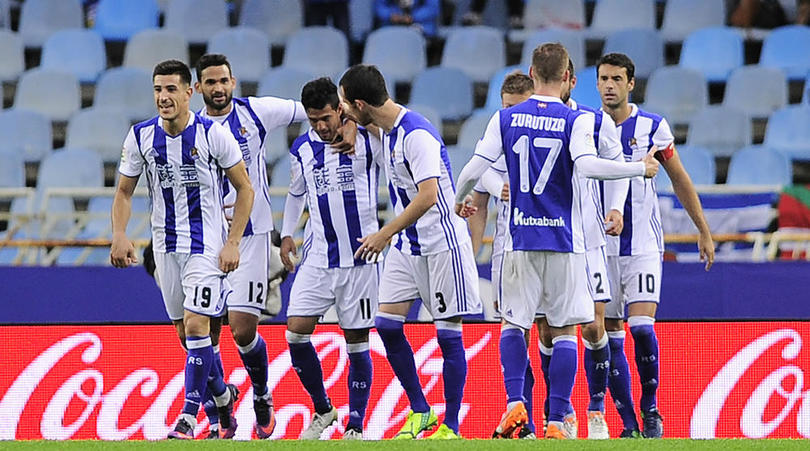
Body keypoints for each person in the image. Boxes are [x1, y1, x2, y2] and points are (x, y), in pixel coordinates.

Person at [453, 43, 659, 440]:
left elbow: (475, 168)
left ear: (532, 73)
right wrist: (638, 169)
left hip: (518, 239)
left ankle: (516, 402)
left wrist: (459, 199)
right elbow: (585, 165)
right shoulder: (576, 119)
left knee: (514, 324)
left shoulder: (506, 117)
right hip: (565, 241)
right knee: (565, 330)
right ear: (568, 77)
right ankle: (556, 420)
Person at [194, 53, 355, 439]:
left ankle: (262, 394)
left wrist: (348, 123)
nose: (218, 88)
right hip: (206, 237)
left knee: (241, 330)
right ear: (198, 88)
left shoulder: (258, 112)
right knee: (200, 330)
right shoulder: (191, 128)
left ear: (234, 83)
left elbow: (322, 108)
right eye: (210, 82)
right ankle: (220, 405)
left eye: (223, 81)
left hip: (250, 237)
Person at [111, 59, 254, 440]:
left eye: (171, 89)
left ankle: (188, 418)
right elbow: (123, 191)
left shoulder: (212, 134)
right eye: (158, 89)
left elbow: (245, 189)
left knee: (196, 324)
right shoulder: (140, 136)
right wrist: (119, 233)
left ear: (189, 92)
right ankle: (223, 400)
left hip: (206, 246)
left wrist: (233, 242)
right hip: (165, 248)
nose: (163, 97)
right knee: (186, 335)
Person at [339, 64, 482, 440]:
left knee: (448, 335)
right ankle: (421, 410)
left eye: (347, 107)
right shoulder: (386, 128)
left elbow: (429, 195)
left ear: (360, 103)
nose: (344, 114)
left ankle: (450, 426)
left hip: (441, 244)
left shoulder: (416, 135)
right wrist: (352, 124)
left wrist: (384, 233)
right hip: (408, 246)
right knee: (386, 325)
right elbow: (365, 123)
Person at [596, 52, 715, 438]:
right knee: (607, 335)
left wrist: (703, 228)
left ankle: (651, 407)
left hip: (643, 245)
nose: (609, 86)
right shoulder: (586, 127)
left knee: (642, 328)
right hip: (600, 248)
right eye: (603, 79)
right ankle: (629, 423)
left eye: (617, 79)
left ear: (631, 84)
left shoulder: (652, 127)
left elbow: (679, 177)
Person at [531, 58, 630, 440]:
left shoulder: (592, 120)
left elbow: (617, 161)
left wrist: (616, 206)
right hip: (546, 239)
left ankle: (596, 409)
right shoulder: (529, 118)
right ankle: (560, 411)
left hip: (587, 241)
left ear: (571, 80)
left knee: (592, 327)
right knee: (546, 330)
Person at [278, 77, 382, 440]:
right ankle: (323, 409)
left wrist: (356, 124)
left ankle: (355, 423)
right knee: (295, 333)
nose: (321, 127)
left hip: (361, 256)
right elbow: (295, 193)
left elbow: (387, 114)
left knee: (356, 341)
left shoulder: (369, 140)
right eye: (313, 120)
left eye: (326, 118)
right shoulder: (302, 149)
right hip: (319, 255)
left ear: (340, 109)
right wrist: (287, 232)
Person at [465, 71, 537, 440]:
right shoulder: (497, 133)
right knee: (516, 332)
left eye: (516, 107)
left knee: (556, 334)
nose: (509, 115)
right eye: (505, 107)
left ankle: (558, 416)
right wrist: (470, 254)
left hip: (551, 245)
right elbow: (479, 188)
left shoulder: (552, 129)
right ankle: (522, 417)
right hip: (508, 248)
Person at [375, 0, 441, 38]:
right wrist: (390, 15)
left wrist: (413, 17)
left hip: (421, 25)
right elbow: (379, 7)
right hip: (391, 25)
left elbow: (433, 8)